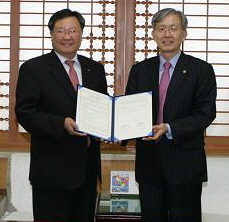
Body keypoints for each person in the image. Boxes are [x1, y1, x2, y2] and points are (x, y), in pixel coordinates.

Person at [15, 9, 107, 221]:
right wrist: (60, 123)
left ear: (81, 34)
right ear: (51, 34)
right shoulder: (34, 68)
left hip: (87, 170)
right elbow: (25, 113)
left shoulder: (95, 69)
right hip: (51, 172)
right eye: (61, 31)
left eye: (73, 30)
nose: (67, 36)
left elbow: (102, 108)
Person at [125, 8, 216, 222]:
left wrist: (169, 128)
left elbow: (206, 113)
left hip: (185, 163)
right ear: (153, 34)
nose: (167, 34)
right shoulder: (140, 70)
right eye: (161, 28)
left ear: (184, 33)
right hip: (149, 164)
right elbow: (128, 108)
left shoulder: (201, 70)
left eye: (173, 28)